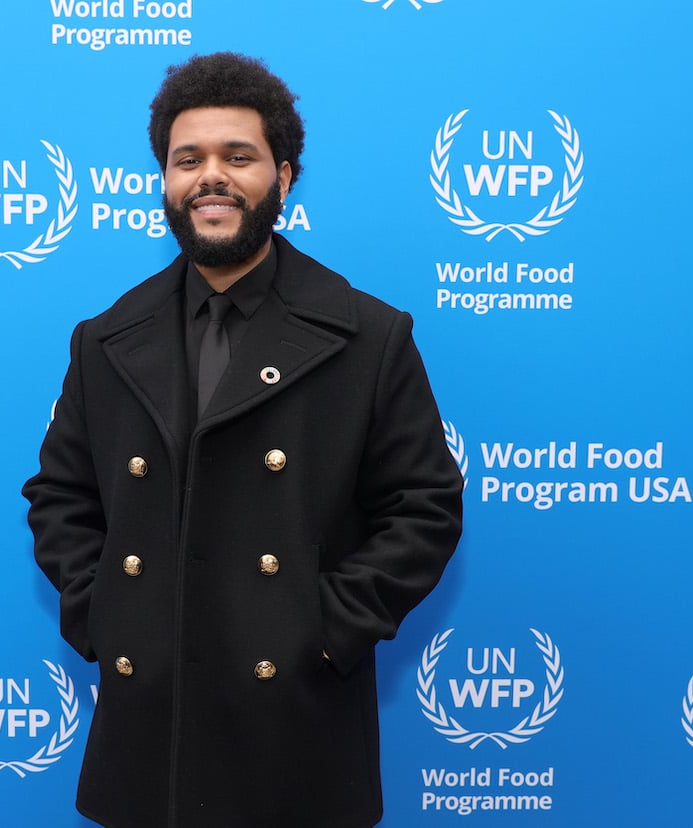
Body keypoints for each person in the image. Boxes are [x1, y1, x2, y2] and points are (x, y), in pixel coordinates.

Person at [23, 52, 463, 828]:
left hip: (295, 732)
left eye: (239, 156)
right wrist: (106, 614)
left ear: (284, 177)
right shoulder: (106, 339)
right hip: (149, 731)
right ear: (163, 180)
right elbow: (60, 495)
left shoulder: (368, 336)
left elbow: (424, 507)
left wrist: (321, 633)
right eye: (187, 159)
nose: (210, 177)